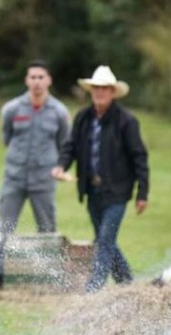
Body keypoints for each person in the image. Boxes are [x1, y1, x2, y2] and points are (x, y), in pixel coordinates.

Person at [51, 65, 149, 293]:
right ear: (91, 90)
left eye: (104, 88)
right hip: (91, 191)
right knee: (107, 241)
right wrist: (61, 166)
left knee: (104, 240)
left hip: (117, 192)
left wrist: (142, 192)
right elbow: (70, 147)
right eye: (96, 88)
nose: (100, 92)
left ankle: (93, 289)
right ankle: (128, 285)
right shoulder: (83, 118)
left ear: (113, 92)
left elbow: (139, 157)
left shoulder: (126, 121)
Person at [0, 60, 70, 290]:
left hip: (43, 181)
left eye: (41, 77)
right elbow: (6, 138)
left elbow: (64, 143)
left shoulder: (59, 112)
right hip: (14, 178)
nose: (37, 82)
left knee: (47, 228)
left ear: (49, 80)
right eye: (32, 77)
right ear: (26, 80)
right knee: (4, 227)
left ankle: (49, 277)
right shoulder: (12, 109)